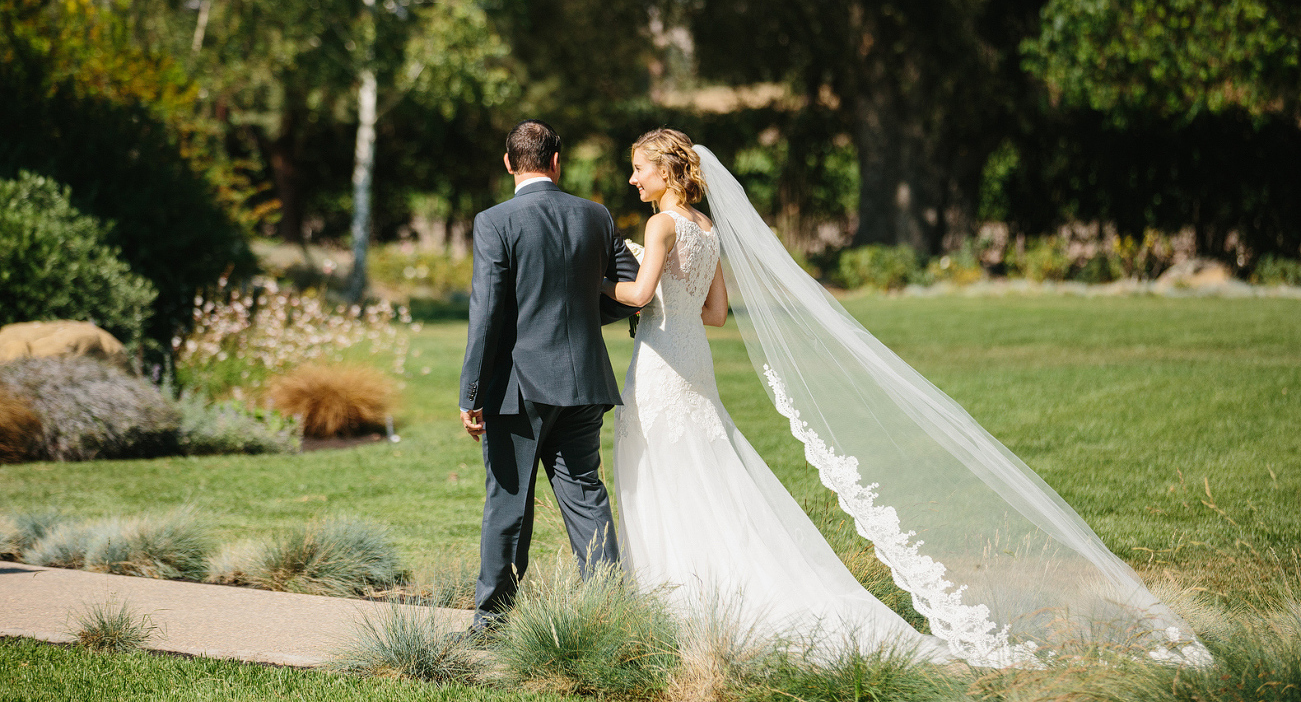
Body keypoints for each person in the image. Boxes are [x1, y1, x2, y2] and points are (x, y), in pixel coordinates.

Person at [602, 128, 1209, 667]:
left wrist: (598, 276)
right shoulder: (707, 228)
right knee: (705, 468)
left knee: (661, 465)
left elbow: (640, 295)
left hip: (660, 365)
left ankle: (675, 597)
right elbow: (715, 314)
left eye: (639, 167)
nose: (633, 178)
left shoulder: (660, 225)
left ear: (668, 171)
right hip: (695, 360)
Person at [458, 119, 640, 632]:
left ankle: (493, 623)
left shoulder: (495, 221)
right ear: (557, 161)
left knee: (508, 501)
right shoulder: (596, 215)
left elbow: (487, 314)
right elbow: (626, 288)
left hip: (519, 387)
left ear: (509, 163)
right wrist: (584, 317)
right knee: (586, 496)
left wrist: (472, 391)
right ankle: (610, 614)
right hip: (585, 379)